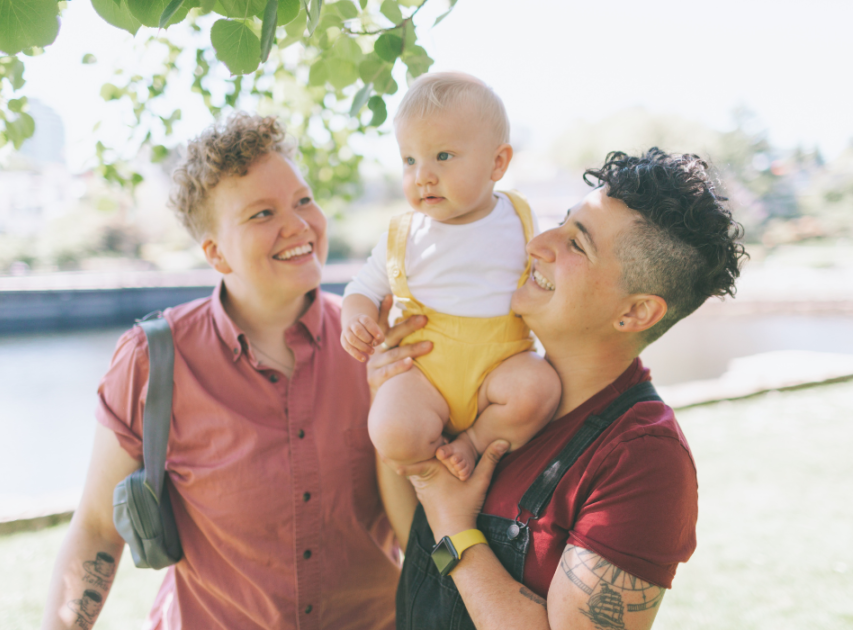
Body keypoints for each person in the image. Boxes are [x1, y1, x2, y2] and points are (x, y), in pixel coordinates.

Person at [41, 113, 401, 630]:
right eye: (261, 214)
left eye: (303, 200)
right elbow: (97, 530)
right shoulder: (151, 360)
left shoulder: (378, 341)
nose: (299, 225)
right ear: (215, 253)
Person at [371, 148, 747, 629]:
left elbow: (442, 530)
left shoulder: (643, 461)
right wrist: (390, 395)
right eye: (561, 223)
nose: (538, 243)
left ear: (634, 314)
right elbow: (419, 542)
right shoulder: (486, 379)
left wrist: (456, 528)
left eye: (576, 244)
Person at [341, 72, 560, 481]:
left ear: (498, 162)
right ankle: (434, 484)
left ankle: (475, 441)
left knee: (539, 388)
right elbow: (363, 289)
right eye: (410, 160)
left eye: (442, 156)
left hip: (501, 365)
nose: (422, 174)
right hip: (426, 370)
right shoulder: (405, 236)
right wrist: (356, 319)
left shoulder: (521, 219)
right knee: (391, 430)